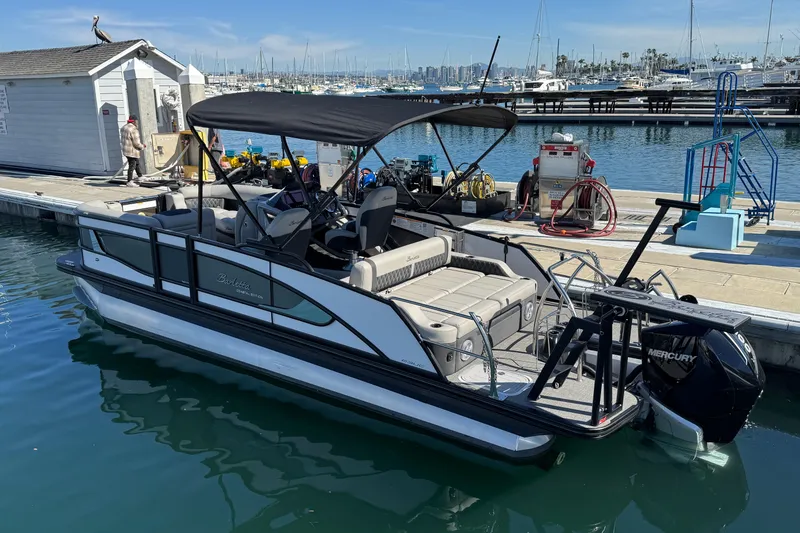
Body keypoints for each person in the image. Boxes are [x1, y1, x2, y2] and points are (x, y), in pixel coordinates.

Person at [120, 114, 146, 187]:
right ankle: (129, 181)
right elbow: (136, 143)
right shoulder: (133, 129)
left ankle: (140, 176)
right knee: (132, 165)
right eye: (137, 121)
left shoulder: (124, 127)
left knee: (136, 162)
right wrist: (142, 146)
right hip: (132, 151)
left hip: (126, 150)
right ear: (134, 121)